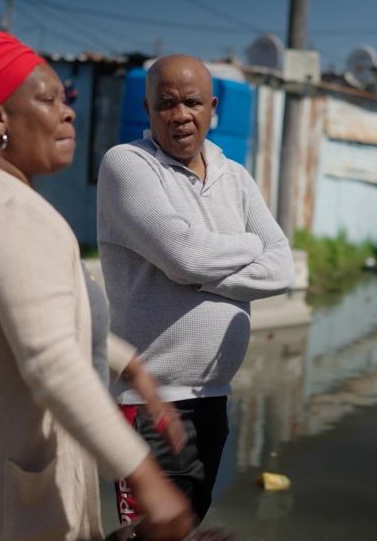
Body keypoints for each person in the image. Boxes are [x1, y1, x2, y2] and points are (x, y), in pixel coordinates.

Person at [0, 29, 194, 540]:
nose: (68, 112)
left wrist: (134, 370)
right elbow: (51, 361)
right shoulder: (12, 211)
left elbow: (27, 318)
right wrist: (144, 476)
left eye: (67, 98)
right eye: (47, 98)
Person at [96, 55, 295, 525]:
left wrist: (195, 270)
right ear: (147, 108)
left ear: (213, 107)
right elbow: (184, 255)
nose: (181, 114)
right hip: (150, 403)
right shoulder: (128, 165)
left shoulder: (237, 178)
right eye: (166, 104)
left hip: (213, 397)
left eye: (191, 102)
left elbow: (281, 267)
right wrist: (248, 246)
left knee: (186, 526)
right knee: (149, 531)